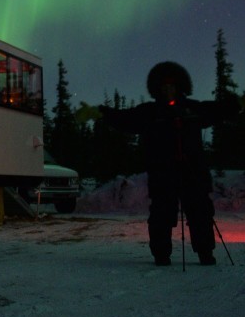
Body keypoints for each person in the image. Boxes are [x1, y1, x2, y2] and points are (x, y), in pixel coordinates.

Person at [99, 61, 236, 266]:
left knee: (200, 213)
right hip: (163, 174)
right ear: (157, 89)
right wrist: (101, 113)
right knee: (161, 216)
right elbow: (125, 119)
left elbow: (218, 110)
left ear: (180, 86)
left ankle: (205, 252)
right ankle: (161, 255)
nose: (167, 90)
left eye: (171, 85)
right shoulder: (150, 112)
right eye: (163, 86)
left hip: (193, 173)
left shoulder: (193, 109)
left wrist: (239, 103)